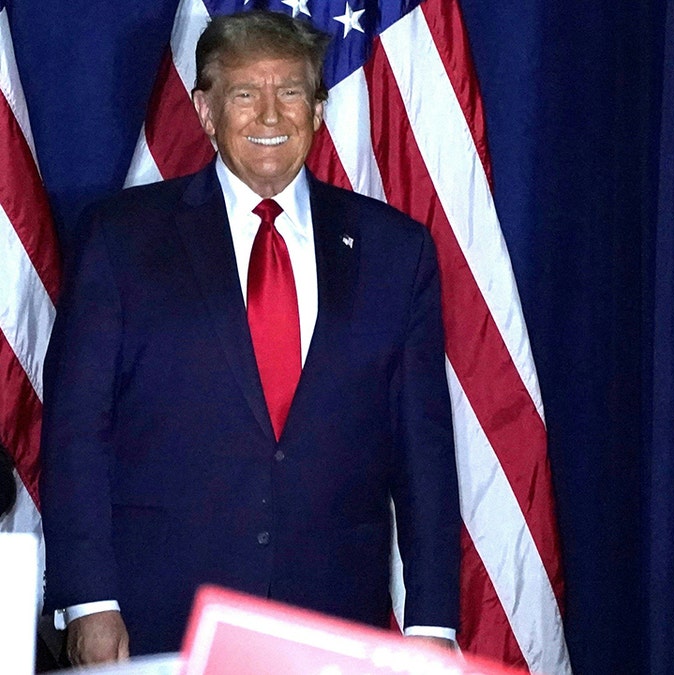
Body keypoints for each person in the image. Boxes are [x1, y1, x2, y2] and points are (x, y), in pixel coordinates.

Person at [39, 11, 459, 665]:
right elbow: (75, 434)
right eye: (245, 93)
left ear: (318, 110)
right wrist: (91, 601)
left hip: (332, 616)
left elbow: (424, 453)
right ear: (206, 113)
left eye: (290, 91)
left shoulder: (395, 250)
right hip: (161, 613)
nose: (270, 114)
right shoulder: (121, 238)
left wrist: (433, 623)